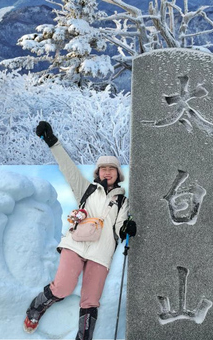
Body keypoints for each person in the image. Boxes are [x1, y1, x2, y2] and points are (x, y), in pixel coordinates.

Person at [24, 121, 137, 340]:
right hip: (76, 245)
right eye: (103, 168)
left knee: (91, 300)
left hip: (101, 254)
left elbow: (121, 228)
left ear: (118, 174)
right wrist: (52, 141)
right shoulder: (86, 190)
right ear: (97, 172)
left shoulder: (123, 202)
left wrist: (127, 228)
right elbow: (67, 167)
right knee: (63, 288)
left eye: (111, 169)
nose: (107, 172)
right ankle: (36, 308)